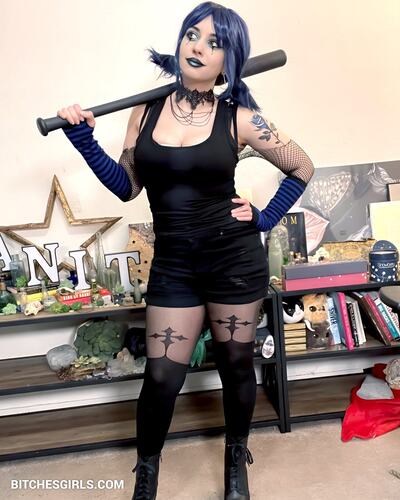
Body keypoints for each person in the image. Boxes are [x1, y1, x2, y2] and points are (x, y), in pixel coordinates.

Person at [57, 2, 314, 499]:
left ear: (228, 61)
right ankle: (147, 473)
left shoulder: (239, 119)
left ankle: (235, 461)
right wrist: (84, 140)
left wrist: (264, 217)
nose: (198, 47)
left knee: (235, 366)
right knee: (160, 376)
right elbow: (127, 186)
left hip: (233, 259)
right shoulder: (145, 111)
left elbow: (302, 166)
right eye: (192, 35)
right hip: (175, 264)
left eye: (215, 43)